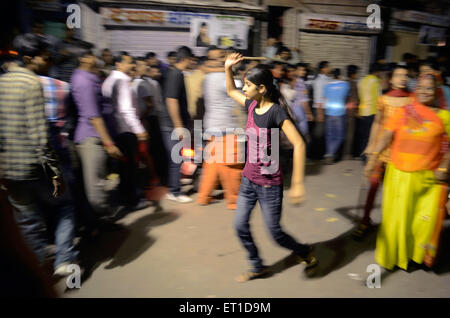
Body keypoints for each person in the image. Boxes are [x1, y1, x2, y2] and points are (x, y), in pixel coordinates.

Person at [224, 53, 318, 282]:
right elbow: (230, 91)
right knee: (239, 226)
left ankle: (304, 251)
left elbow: (298, 143)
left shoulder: (276, 112)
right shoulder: (251, 105)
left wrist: (296, 184)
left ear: (262, 88)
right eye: (244, 84)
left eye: (248, 85)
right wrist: (227, 68)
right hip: (248, 181)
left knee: (275, 234)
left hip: (268, 185)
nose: (244, 89)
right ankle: (257, 265)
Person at [0, 33, 79, 276]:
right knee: (66, 205)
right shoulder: (31, 83)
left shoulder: (2, 82)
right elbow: (38, 134)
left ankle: (37, 265)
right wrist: (55, 172)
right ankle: (64, 260)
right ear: (30, 59)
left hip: (8, 169)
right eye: (46, 58)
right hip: (34, 166)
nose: (50, 62)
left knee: (27, 220)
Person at [365, 74, 450, 270]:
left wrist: (445, 166)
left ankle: (416, 256)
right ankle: (394, 257)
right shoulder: (404, 112)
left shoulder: (444, 117)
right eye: (420, 87)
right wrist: (373, 158)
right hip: (399, 174)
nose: (423, 91)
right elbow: (386, 136)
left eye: (429, 88)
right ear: (415, 89)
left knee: (422, 221)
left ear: (436, 91)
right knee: (397, 219)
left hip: (429, 178)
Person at [353, 65, 412, 240]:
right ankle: (365, 221)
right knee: (372, 185)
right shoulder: (383, 99)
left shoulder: (413, 101)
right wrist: (371, 146)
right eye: (399, 75)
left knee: (395, 192)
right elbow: (377, 123)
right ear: (391, 80)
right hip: (381, 150)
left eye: (406, 75)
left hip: (401, 153)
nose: (403, 78)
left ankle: (393, 225)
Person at [72, 51, 125, 221]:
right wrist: (109, 143)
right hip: (92, 137)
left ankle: (103, 216)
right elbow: (94, 116)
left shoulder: (89, 77)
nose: (96, 57)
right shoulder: (84, 81)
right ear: (83, 58)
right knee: (96, 187)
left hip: (96, 136)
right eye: (91, 54)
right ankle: (103, 218)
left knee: (100, 180)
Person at [102, 53, 151, 211]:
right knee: (130, 168)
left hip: (115, 129)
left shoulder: (110, 80)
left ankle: (125, 198)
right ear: (119, 64)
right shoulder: (122, 80)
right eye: (130, 63)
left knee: (123, 168)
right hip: (126, 130)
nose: (133, 66)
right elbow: (126, 109)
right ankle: (132, 200)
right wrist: (139, 129)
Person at [196, 47, 244, 209]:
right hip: (226, 127)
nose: (226, 57)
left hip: (211, 125)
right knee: (232, 167)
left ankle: (203, 196)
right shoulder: (223, 78)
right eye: (222, 56)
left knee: (212, 164)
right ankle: (234, 200)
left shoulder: (209, 77)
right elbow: (240, 91)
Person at [161, 46, 194, 203]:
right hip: (171, 125)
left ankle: (173, 188)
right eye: (191, 60)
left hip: (171, 123)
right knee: (176, 158)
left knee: (177, 157)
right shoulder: (175, 74)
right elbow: (171, 100)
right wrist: (179, 126)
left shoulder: (174, 73)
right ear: (186, 59)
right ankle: (174, 192)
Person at [355, 63, 382, 161]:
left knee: (363, 135)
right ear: (377, 72)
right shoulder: (376, 81)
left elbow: (359, 95)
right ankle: (365, 157)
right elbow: (380, 97)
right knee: (370, 136)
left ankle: (361, 154)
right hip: (372, 111)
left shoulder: (361, 80)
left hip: (362, 111)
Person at [323, 68, 350, 164]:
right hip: (340, 114)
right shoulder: (345, 85)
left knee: (330, 135)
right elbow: (346, 96)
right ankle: (330, 154)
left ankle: (328, 153)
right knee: (339, 136)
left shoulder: (327, 86)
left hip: (328, 113)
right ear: (340, 75)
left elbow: (325, 98)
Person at [311, 61, 331, 159]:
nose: (329, 68)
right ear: (323, 69)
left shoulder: (327, 79)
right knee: (318, 133)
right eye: (328, 67)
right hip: (320, 109)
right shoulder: (319, 81)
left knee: (322, 133)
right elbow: (318, 97)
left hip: (324, 109)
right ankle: (315, 155)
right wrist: (320, 114)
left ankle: (320, 154)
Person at [344, 65, 360, 159]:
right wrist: (356, 111)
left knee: (343, 133)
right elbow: (355, 99)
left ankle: (342, 153)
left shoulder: (344, 83)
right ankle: (347, 154)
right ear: (353, 74)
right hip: (350, 112)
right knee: (350, 134)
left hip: (343, 112)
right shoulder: (353, 84)